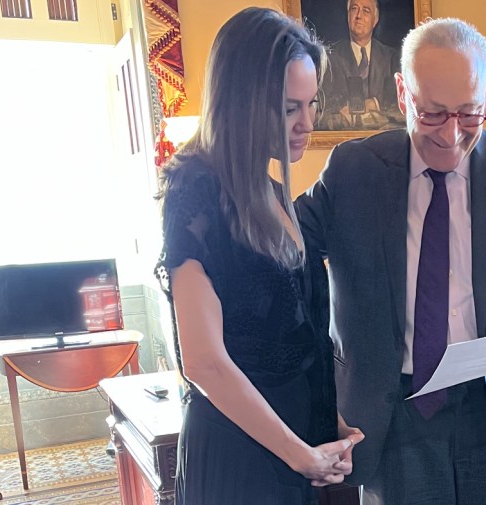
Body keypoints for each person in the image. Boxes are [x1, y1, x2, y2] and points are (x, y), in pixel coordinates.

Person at [297, 17, 486, 505]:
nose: (451, 135)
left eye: (469, 114)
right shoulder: (353, 171)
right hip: (392, 420)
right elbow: (281, 249)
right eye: (432, 114)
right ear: (401, 93)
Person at [154, 8, 363, 505]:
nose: (308, 123)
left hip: (297, 454)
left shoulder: (273, 191)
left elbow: (300, 340)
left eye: (312, 104)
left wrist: (333, 429)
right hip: (240, 460)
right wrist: (300, 453)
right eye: (290, 108)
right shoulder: (196, 190)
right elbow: (204, 363)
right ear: (244, 99)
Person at [319, 0, 403, 130]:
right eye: (354, 9)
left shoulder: (391, 58)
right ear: (348, 16)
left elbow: (400, 106)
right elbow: (321, 110)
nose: (359, 16)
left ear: (375, 20)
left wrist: (374, 103)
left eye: (366, 10)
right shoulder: (329, 58)